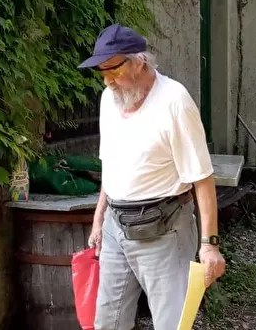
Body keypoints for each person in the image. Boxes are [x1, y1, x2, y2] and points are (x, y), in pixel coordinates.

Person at [78, 23, 226, 330]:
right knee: (108, 323)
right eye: (101, 73)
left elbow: (203, 178)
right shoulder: (110, 99)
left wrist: (209, 245)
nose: (107, 81)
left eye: (113, 71)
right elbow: (112, 164)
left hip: (165, 228)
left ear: (139, 62)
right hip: (116, 227)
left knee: (172, 324)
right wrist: (99, 216)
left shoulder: (174, 101)